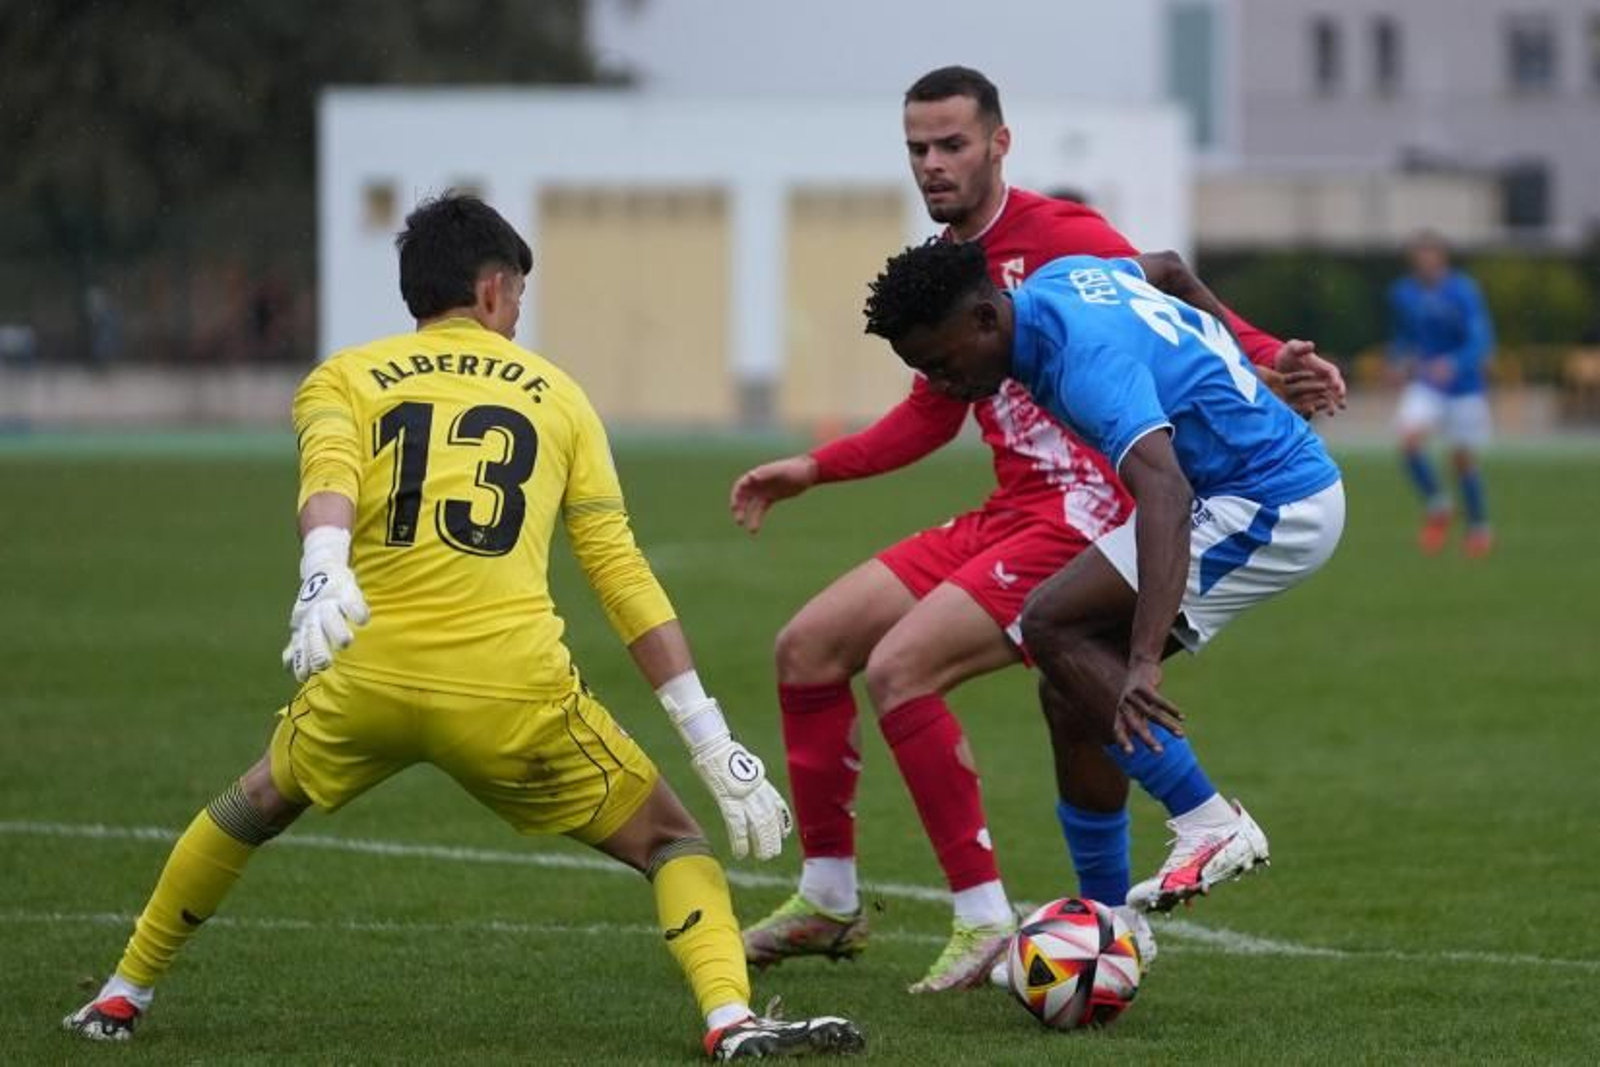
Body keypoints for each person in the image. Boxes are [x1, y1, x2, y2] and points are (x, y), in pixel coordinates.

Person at [62, 194, 864, 1062]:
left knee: (250, 805)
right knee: (673, 840)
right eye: (518, 295)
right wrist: (707, 735)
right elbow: (618, 572)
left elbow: (328, 466)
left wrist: (325, 560)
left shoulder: (345, 375)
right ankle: (730, 1019)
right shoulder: (558, 395)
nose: (518, 314)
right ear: (491, 289)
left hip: (366, 672)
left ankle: (120, 993)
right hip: (512, 694)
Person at [731, 66, 1345, 992]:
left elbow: (1163, 452)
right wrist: (819, 466)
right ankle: (858, 898)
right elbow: (1161, 278)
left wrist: (1264, 360)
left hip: (1126, 504)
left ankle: (1023, 902)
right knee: (817, 646)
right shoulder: (950, 282)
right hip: (1018, 508)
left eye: (951, 144)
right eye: (916, 149)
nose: (932, 165)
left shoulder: (1061, 243)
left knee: (950, 659)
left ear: (998, 144)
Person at [863, 239, 1344, 917]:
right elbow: (1172, 267)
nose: (940, 383)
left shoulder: (1079, 360)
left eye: (940, 363)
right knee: (1071, 693)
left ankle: (1209, 822)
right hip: (1232, 489)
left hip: (1270, 504)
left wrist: (1143, 659)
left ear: (982, 320)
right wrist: (1250, 366)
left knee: (1049, 620)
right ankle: (1110, 922)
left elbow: (1166, 493)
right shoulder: (1061, 280)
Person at [1387, 231, 1495, 557]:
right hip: (1428, 384)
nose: (1426, 263)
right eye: (1420, 257)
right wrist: (1395, 360)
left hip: (1465, 387)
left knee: (1461, 461)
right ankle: (1439, 505)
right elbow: (1404, 335)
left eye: (1431, 256)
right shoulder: (1403, 293)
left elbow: (1481, 339)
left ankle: (1478, 527)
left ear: (1443, 258)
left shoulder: (1463, 291)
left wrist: (1456, 363)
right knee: (1408, 440)